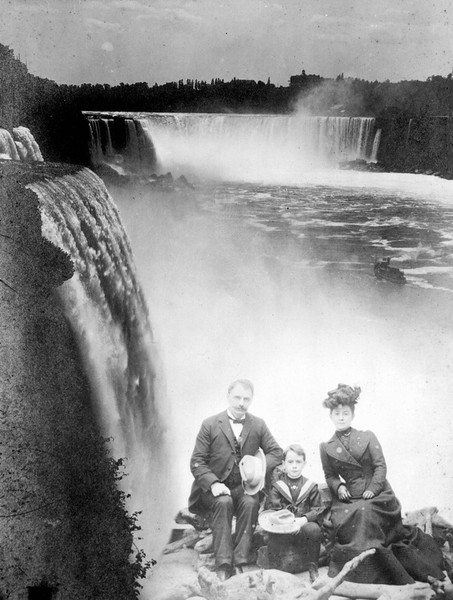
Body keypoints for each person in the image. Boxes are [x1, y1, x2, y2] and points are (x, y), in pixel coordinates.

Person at [320, 383, 445, 584]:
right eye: (337, 414)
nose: (341, 417)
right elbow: (330, 475)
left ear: (352, 414)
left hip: (378, 494)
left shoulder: (368, 436)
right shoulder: (327, 447)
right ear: (331, 416)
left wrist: (373, 488)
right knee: (351, 515)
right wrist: (339, 486)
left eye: (345, 413)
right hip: (349, 497)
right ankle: (358, 565)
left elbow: (380, 466)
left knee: (365, 513)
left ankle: (373, 565)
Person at [188, 379, 283, 581]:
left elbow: (276, 452)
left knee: (250, 502)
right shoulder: (210, 424)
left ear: (251, 400)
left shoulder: (258, 424)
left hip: (243, 488)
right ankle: (223, 564)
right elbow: (197, 461)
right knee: (223, 502)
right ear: (228, 397)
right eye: (237, 397)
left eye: (246, 399)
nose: (241, 403)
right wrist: (213, 483)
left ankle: (240, 562)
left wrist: (258, 468)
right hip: (213, 491)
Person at [261, 443, 325, 580]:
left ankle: (313, 568)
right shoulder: (277, 487)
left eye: (298, 462)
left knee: (314, 529)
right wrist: (287, 524)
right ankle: (275, 571)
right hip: (282, 530)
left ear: (304, 464)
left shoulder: (310, 486)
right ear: (284, 464)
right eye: (290, 462)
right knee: (271, 536)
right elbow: (272, 510)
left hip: (302, 529)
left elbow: (318, 509)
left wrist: (303, 520)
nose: (294, 465)